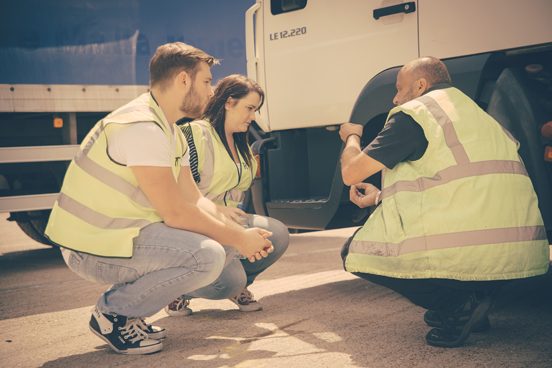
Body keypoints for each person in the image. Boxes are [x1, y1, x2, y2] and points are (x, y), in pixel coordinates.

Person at [44, 42, 274, 355]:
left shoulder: (169, 130)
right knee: (206, 255)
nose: (211, 93)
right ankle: (113, 314)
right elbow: (177, 213)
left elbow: (194, 199)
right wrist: (238, 238)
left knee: (221, 242)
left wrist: (240, 234)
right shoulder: (142, 127)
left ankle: (129, 308)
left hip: (116, 235)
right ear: (183, 80)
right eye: (206, 82)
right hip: (89, 247)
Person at [339, 56, 550, 348]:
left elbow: (351, 173)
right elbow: (457, 185)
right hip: (514, 250)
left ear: (421, 85)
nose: (395, 97)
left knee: (354, 252)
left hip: (468, 246)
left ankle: (457, 304)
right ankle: (477, 302)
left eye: (399, 89)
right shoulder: (480, 116)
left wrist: (351, 137)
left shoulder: (416, 114)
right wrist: (377, 196)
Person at [164, 75, 289, 316]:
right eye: (250, 108)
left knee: (277, 234)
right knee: (227, 282)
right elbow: (173, 191)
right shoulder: (193, 134)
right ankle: (175, 291)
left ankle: (240, 287)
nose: (253, 117)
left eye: (256, 110)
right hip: (198, 226)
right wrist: (217, 210)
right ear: (229, 102)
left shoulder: (241, 141)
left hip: (231, 225)